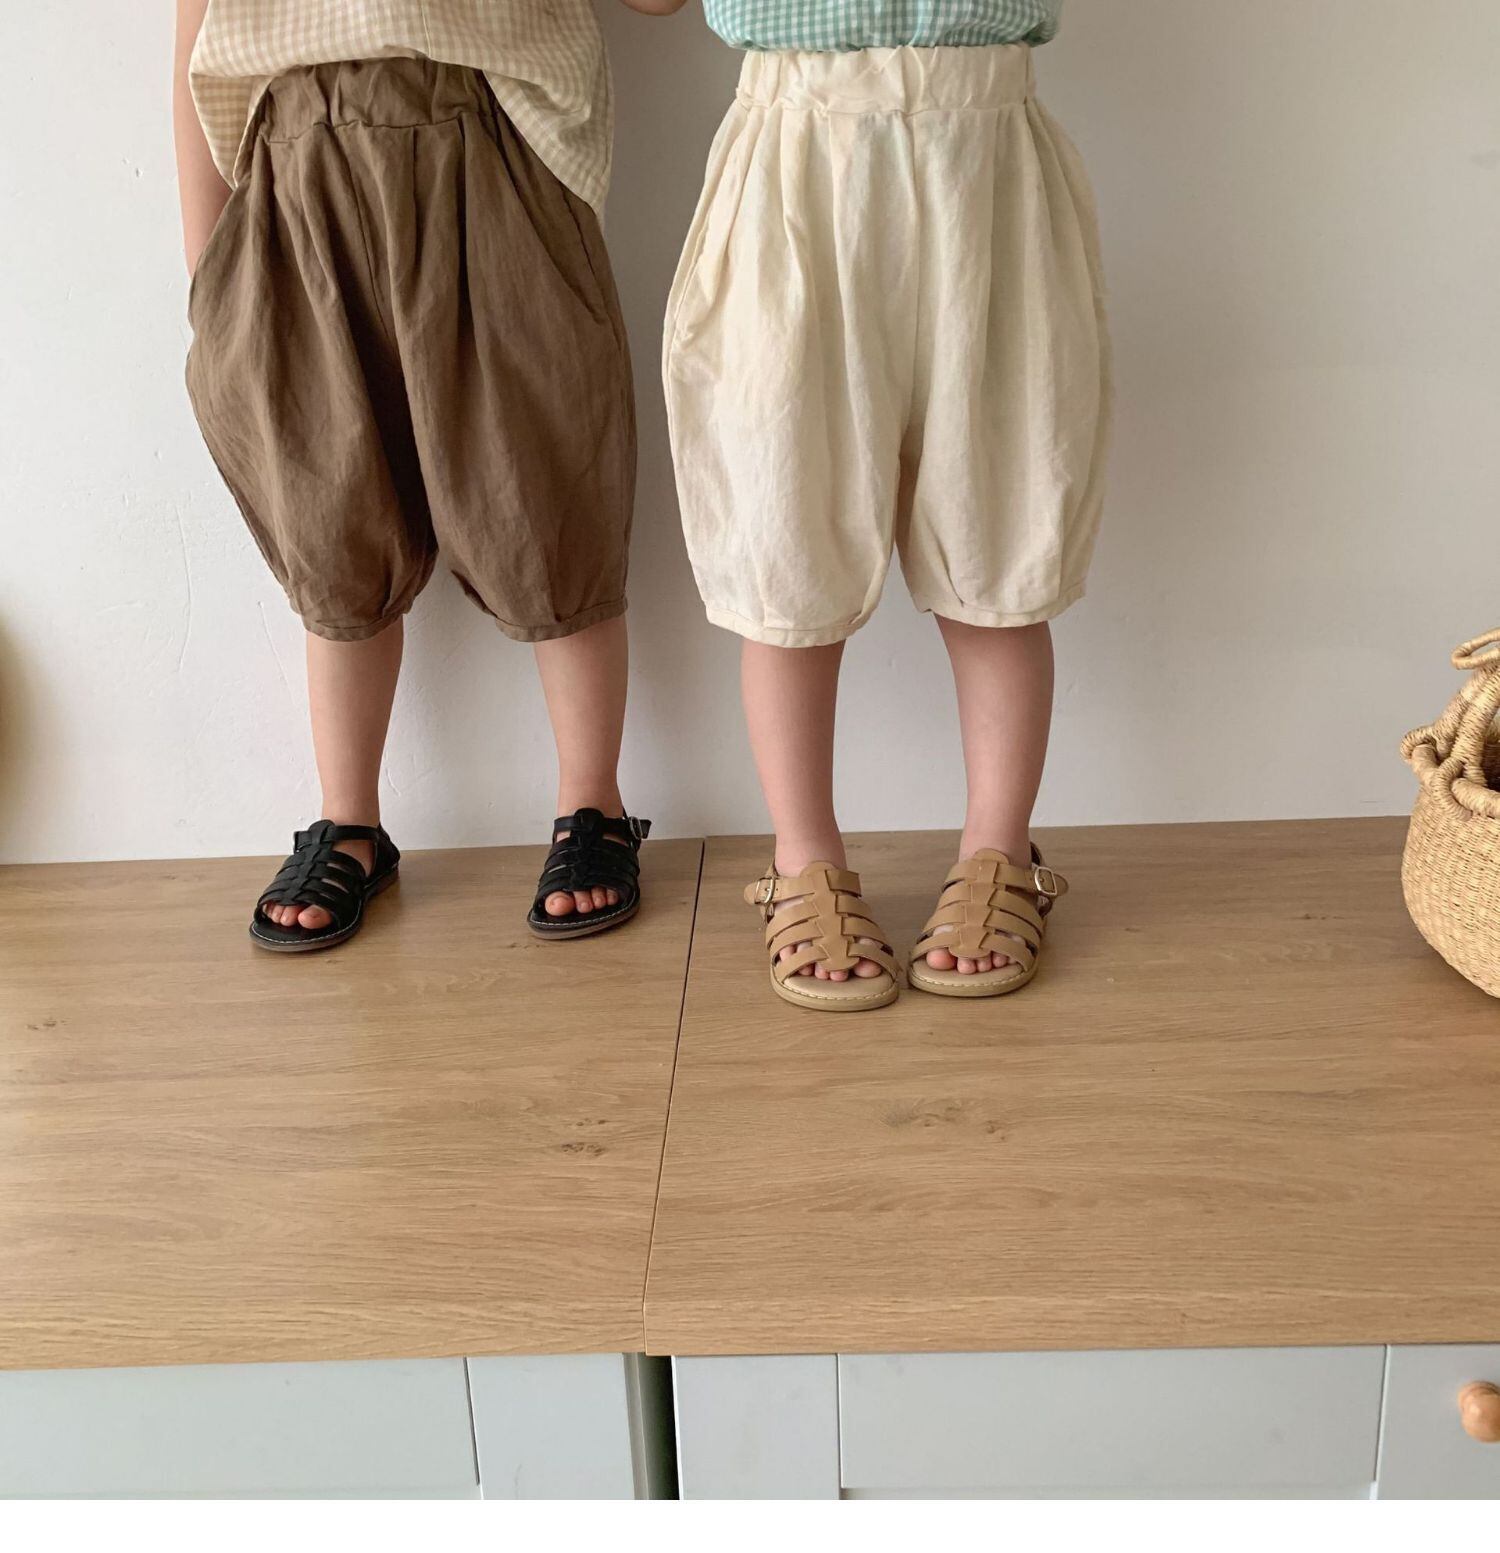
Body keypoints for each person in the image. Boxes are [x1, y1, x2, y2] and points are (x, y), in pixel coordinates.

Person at [171, 0, 677, 952]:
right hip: (292, 151)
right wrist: (207, 261)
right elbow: (195, 20)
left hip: (492, 129)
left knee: (545, 479)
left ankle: (594, 805)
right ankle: (347, 819)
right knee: (329, 500)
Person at [663, 0, 1110, 1008]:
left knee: (1000, 528)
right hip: (794, 152)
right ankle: (803, 859)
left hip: (987, 148)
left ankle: (999, 851)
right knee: (785, 531)